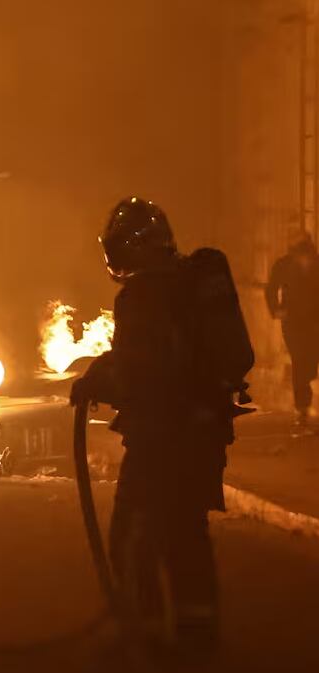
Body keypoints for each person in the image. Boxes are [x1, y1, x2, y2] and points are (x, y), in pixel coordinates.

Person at [71, 197, 253, 658]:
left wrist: (101, 380)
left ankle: (143, 636)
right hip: (205, 435)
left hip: (161, 438)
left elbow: (141, 373)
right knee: (185, 535)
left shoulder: (140, 297)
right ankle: (197, 640)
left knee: (133, 536)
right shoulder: (192, 283)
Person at [265, 228, 319, 426]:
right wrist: (277, 309)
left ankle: (303, 405)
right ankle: (302, 407)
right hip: (294, 323)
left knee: (309, 361)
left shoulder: (316, 264)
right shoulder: (284, 265)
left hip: (314, 321)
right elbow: (271, 288)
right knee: (300, 360)